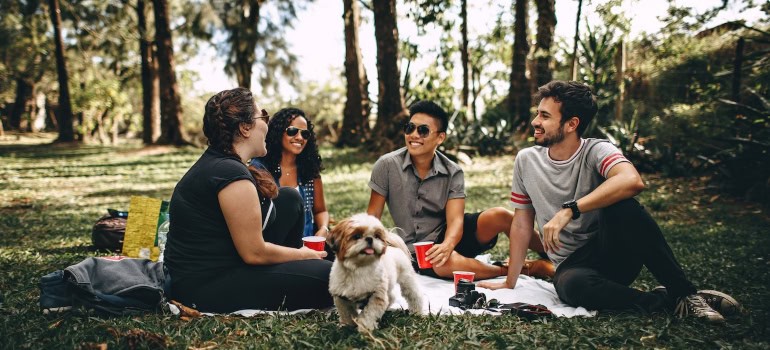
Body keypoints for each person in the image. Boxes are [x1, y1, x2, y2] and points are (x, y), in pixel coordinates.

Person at [478, 80, 739, 323]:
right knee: (572, 287)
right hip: (572, 267)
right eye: (538, 113)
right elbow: (522, 224)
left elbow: (632, 180)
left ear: (571, 124)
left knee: (624, 205)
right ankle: (668, 300)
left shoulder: (596, 150)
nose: (535, 121)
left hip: (613, 252)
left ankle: (686, 293)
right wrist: (510, 282)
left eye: (545, 116)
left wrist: (570, 209)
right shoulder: (527, 160)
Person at [164, 88, 333, 313]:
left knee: (289, 198)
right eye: (262, 116)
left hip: (228, 262)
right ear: (245, 128)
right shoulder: (230, 174)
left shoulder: (223, 163)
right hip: (207, 285)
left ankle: (299, 268)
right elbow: (254, 253)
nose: (267, 123)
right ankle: (303, 268)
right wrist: (305, 254)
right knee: (333, 277)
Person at [366, 100, 551, 280]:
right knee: (443, 263)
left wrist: (447, 245)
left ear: (440, 137)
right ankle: (521, 269)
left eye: (423, 130)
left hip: (451, 235)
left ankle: (552, 254)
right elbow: (372, 216)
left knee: (500, 215)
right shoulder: (386, 165)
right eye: (410, 128)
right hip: (416, 250)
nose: (414, 135)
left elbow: (455, 220)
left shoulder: (452, 171)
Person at [250, 108, 330, 238]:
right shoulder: (260, 168)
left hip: (307, 245)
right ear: (278, 133)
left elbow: (320, 210)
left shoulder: (309, 169)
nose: (299, 138)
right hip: (273, 246)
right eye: (292, 131)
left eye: (305, 134)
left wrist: (323, 229)